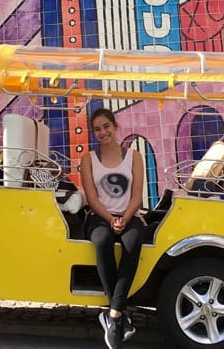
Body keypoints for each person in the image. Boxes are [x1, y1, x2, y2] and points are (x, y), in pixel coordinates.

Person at [80, 108, 144, 349]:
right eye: (97, 129)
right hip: (99, 217)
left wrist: (124, 219)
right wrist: (110, 220)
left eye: (106, 126)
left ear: (115, 126)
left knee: (133, 242)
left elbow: (136, 196)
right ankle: (118, 315)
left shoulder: (134, 157)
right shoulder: (88, 159)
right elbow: (92, 198)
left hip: (129, 214)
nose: (103, 132)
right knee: (103, 241)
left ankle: (114, 314)